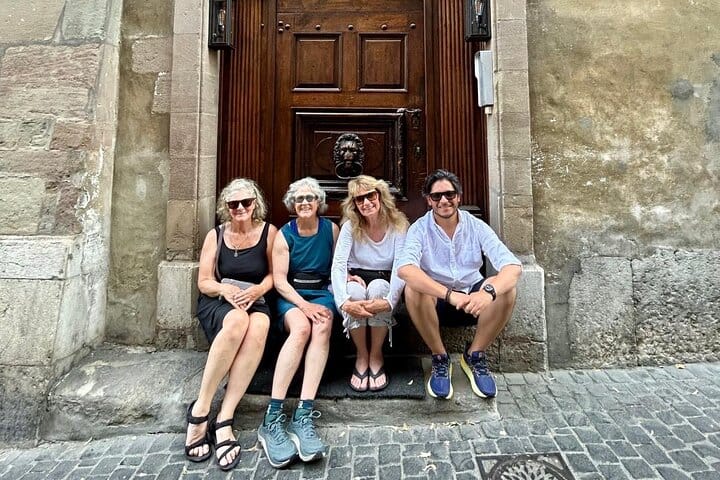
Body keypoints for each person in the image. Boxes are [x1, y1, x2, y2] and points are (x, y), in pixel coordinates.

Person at [397, 169, 522, 400]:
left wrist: (488, 293)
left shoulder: (476, 226)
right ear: (429, 201)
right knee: (413, 288)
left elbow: (513, 266)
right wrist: (449, 295)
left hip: (474, 302)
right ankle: (440, 358)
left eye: (449, 194)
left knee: (506, 288)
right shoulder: (419, 228)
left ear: (459, 197)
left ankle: (474, 355)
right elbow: (405, 269)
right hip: (436, 304)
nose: (444, 200)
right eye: (436, 196)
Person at [185, 178, 277, 471]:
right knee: (237, 321)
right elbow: (204, 281)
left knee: (259, 327)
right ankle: (201, 409)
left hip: (254, 298)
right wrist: (225, 289)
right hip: (219, 301)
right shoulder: (216, 235)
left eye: (245, 202)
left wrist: (257, 291)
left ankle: (225, 417)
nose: (240, 208)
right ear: (226, 207)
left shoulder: (269, 232)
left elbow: (274, 275)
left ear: (255, 204)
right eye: (233, 204)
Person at [257, 177, 339, 468]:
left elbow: (337, 267)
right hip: (291, 295)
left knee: (322, 325)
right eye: (299, 199)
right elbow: (279, 281)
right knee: (302, 327)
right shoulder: (284, 235)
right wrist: (304, 306)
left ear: (319, 202)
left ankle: (303, 413)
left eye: (310, 198)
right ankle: (272, 416)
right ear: (292, 204)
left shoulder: (331, 229)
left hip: (321, 293)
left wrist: (348, 279)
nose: (305, 203)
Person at [331, 175, 408, 392]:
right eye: (359, 199)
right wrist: (343, 302)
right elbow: (338, 265)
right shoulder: (350, 227)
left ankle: (376, 355)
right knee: (354, 292)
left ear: (380, 196)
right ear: (354, 204)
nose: (366, 202)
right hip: (356, 278)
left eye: (370, 196)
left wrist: (390, 301)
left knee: (378, 289)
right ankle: (362, 355)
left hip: (385, 281)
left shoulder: (398, 225)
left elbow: (401, 266)